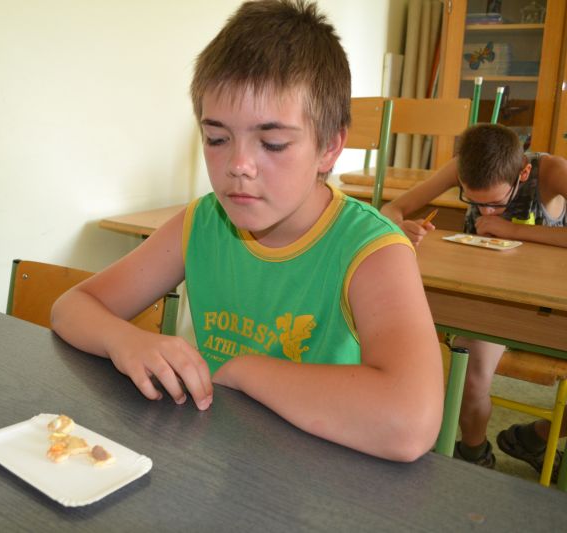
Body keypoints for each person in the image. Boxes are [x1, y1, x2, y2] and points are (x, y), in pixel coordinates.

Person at [51, 0, 443, 462]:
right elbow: (72, 307)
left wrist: (244, 371)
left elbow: (410, 424)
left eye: (272, 143)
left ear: (330, 146)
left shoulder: (372, 250)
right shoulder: (202, 223)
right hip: (222, 461)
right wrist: (127, 341)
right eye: (217, 139)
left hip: (324, 476)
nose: (238, 165)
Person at [381, 122, 567, 477]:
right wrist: (399, 226)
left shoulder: (552, 171)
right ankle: (475, 451)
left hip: (548, 303)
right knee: (471, 377)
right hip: (487, 301)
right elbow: (392, 209)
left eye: (496, 204)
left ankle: (535, 437)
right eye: (474, 202)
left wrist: (513, 230)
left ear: (523, 173)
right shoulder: (464, 165)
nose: (486, 214)